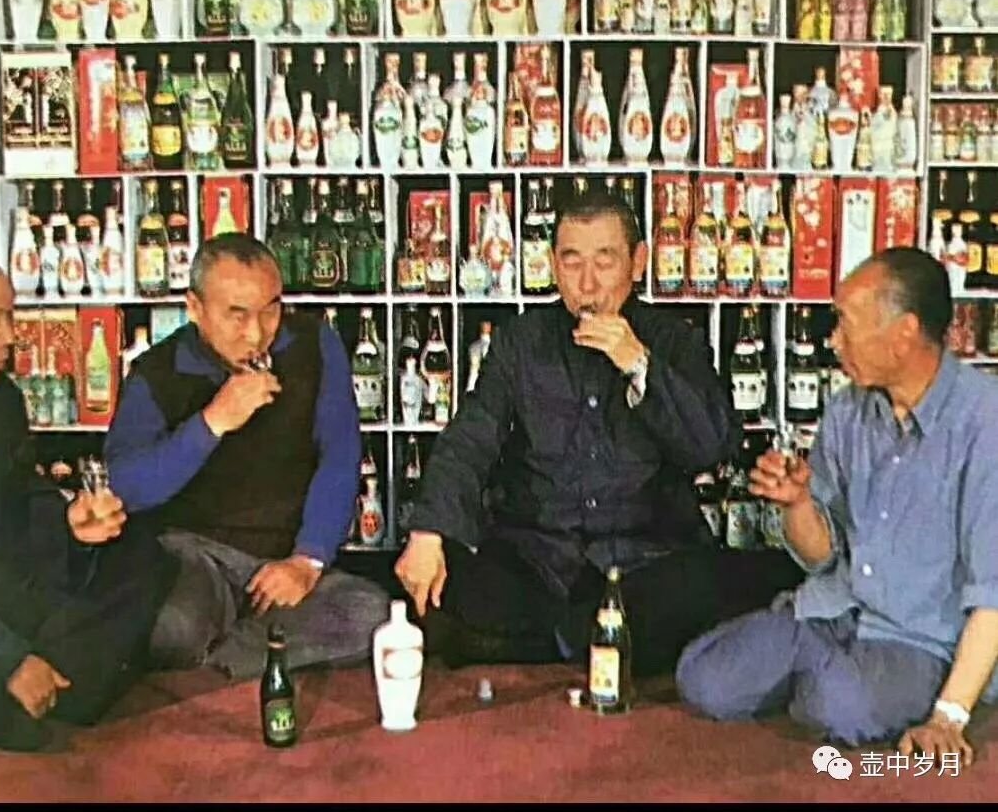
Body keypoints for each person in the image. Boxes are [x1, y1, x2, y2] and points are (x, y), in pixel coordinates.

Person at [394, 188, 801, 674]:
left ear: (638, 262)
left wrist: (640, 364)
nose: (587, 284)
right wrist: (429, 532)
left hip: (645, 560)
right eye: (572, 263)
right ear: (553, 264)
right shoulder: (521, 342)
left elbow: (712, 446)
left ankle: (557, 641)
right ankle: (591, 639)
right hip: (539, 561)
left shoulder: (675, 339)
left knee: (714, 582)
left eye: (605, 262)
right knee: (448, 581)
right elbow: (470, 438)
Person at [676, 248, 998, 764]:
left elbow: (993, 594)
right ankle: (815, 663)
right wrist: (798, 503)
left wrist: (949, 716)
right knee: (703, 677)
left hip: (919, 639)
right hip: (833, 609)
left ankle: (819, 674)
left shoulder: (985, 422)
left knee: (839, 707)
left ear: (904, 334)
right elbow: (821, 556)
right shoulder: (849, 409)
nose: (832, 341)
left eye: (845, 324)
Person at [0, 244, 174, 752]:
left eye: (10, 319)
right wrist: (8, 657)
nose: (10, 337)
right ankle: (18, 686)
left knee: (145, 553)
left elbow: (23, 493)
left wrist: (71, 519)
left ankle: (32, 682)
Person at [105, 234, 388, 679]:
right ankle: (257, 652)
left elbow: (339, 455)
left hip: (282, 558)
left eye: (270, 310)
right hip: (193, 556)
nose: (256, 334)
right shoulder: (158, 371)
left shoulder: (314, 344)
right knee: (171, 628)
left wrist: (307, 560)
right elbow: (127, 487)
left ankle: (222, 662)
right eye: (236, 315)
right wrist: (213, 422)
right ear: (195, 308)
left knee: (372, 615)